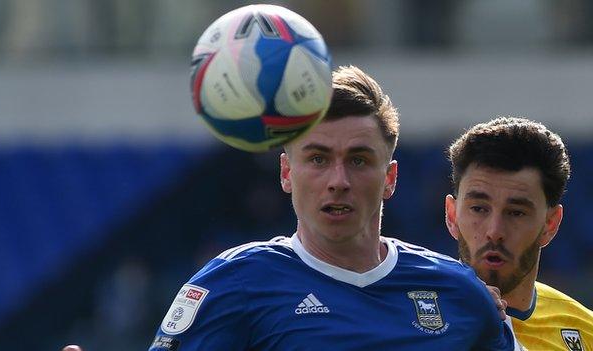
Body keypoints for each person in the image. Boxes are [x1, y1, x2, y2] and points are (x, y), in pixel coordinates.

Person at [140, 66, 521, 351]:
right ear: (287, 173)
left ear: (389, 179)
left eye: (358, 160)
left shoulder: (459, 294)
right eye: (319, 159)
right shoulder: (234, 284)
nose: (338, 180)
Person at [444, 117, 593, 350]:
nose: (494, 232)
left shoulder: (585, 332)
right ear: (452, 216)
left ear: (550, 224)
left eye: (516, 213)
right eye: (479, 209)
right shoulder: (405, 319)